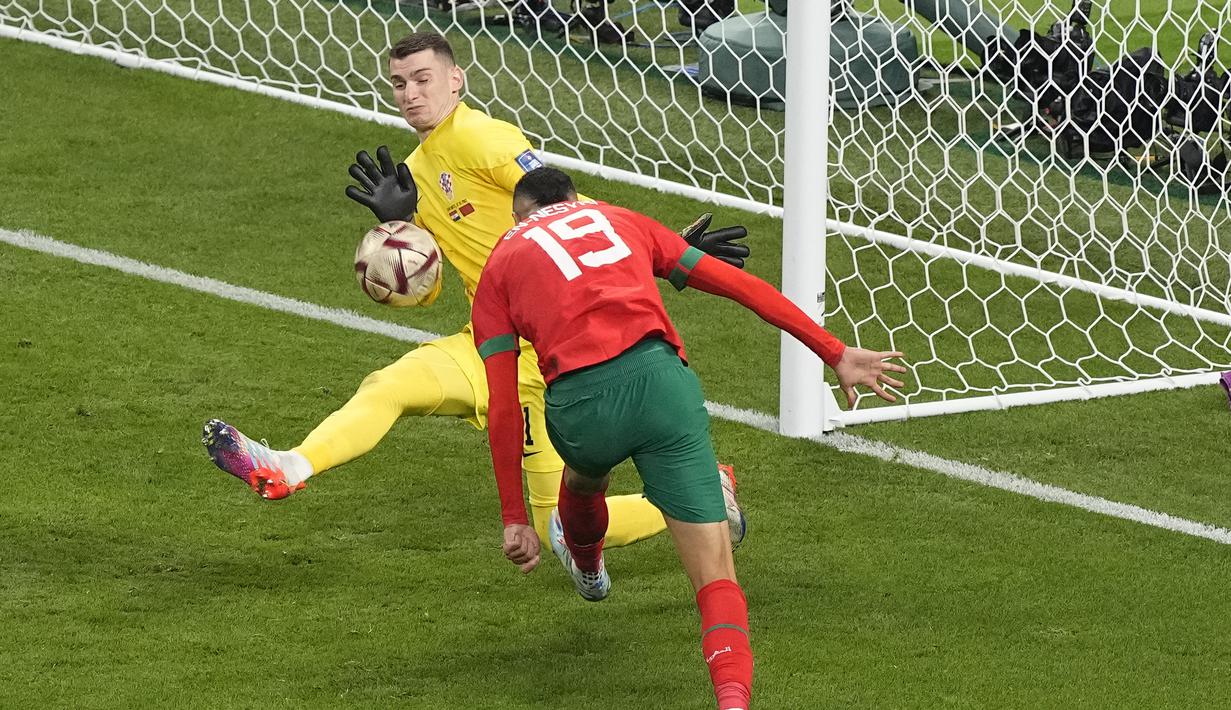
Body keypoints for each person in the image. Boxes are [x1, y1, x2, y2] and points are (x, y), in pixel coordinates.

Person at [201, 31, 750, 549]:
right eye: (399, 83)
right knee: (387, 387)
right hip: (487, 344)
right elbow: (430, 290)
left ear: (456, 80)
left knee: (555, 526)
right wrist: (404, 232)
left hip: (545, 358)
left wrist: (665, 249)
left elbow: (565, 212)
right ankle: (288, 467)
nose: (410, 94)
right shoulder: (415, 171)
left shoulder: (484, 138)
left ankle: (708, 490)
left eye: (422, 79)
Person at [471, 167, 906, 710]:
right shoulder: (618, 218)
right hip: (662, 388)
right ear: (575, 199)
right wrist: (833, 351)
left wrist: (515, 517)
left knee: (584, 478)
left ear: (519, 216)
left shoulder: (500, 262)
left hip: (581, 407)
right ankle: (732, 701)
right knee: (715, 575)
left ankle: (586, 564)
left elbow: (505, 404)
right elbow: (742, 286)